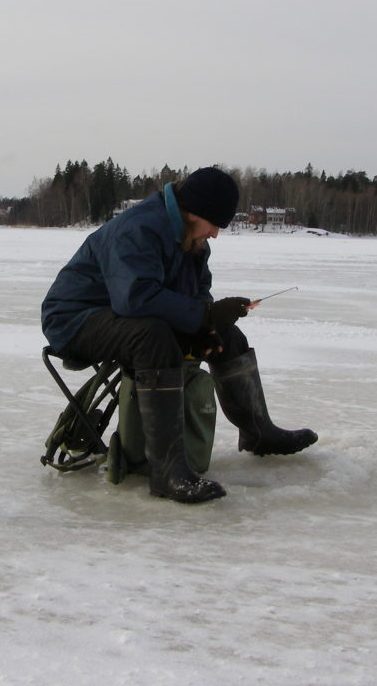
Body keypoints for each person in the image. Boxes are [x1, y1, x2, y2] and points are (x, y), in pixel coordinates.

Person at [41, 167, 317, 504]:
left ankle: (260, 434)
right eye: (214, 224)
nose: (215, 234)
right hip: (74, 319)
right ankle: (167, 471)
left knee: (227, 336)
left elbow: (197, 293)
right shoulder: (139, 228)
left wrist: (207, 327)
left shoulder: (192, 238)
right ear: (193, 211)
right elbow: (135, 298)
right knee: (152, 337)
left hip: (125, 318)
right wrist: (202, 315)